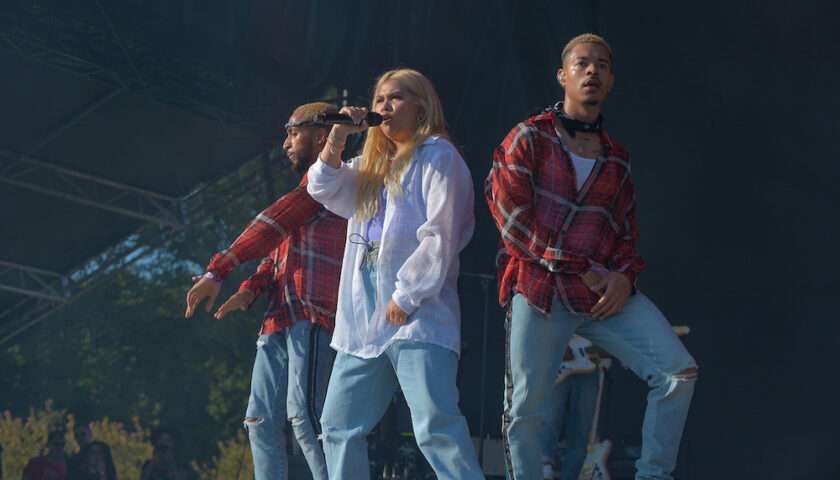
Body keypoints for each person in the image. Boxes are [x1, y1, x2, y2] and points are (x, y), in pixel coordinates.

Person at [485, 33, 698, 480]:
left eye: (602, 65)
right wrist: (582, 268)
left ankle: (654, 475)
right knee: (525, 410)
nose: (592, 71)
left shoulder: (617, 159)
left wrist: (624, 277)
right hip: (542, 291)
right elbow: (512, 220)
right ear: (563, 75)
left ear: (611, 79)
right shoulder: (529, 137)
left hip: (603, 296)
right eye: (582, 63)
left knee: (678, 372)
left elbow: (625, 232)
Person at [307, 68, 484, 480]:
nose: (383, 106)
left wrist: (406, 297)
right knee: (338, 427)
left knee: (435, 427)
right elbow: (322, 186)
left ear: (421, 105)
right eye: (380, 99)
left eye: (395, 98)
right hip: (364, 325)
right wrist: (337, 136)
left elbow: (442, 234)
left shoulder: (439, 157)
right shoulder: (374, 168)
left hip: (417, 318)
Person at [184, 102, 345, 480]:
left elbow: (269, 224)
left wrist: (218, 269)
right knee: (258, 420)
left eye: (293, 131)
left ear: (321, 135)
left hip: (311, 314)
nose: (286, 143)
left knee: (305, 417)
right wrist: (250, 290)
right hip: (278, 321)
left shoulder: (332, 184)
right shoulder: (306, 193)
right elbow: (274, 258)